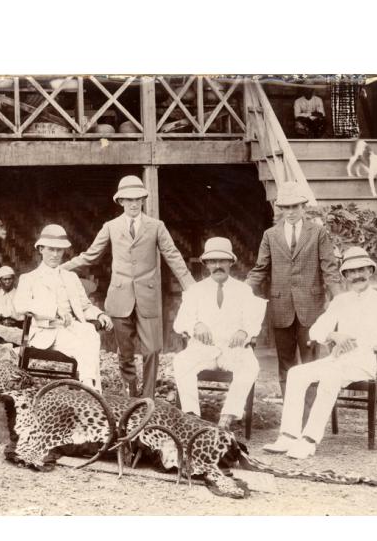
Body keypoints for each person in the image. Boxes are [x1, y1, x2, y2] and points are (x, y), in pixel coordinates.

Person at [61, 175, 195, 399]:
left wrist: (191, 287)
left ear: (143, 200)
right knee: (125, 353)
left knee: (152, 350)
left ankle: (148, 398)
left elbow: (173, 256)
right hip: (119, 299)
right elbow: (91, 255)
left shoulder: (156, 227)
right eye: (129, 199)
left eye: (138, 199)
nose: (134, 204)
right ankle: (131, 397)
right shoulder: (111, 227)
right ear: (120, 201)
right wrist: (60, 269)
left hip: (147, 297)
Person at [263, 247, 377, 459]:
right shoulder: (340, 301)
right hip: (337, 359)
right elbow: (316, 330)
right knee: (296, 373)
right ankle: (288, 435)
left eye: (361, 270)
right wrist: (334, 336)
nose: (357, 275)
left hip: (364, 361)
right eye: (351, 272)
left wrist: (353, 340)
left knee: (330, 375)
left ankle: (309, 439)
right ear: (345, 276)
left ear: (370, 271)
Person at [246, 181, 342, 398]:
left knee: (310, 363)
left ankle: (308, 414)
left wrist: (340, 300)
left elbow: (329, 268)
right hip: (281, 308)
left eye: (295, 207)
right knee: (286, 362)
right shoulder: (270, 235)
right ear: (280, 208)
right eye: (285, 207)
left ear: (303, 206)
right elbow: (260, 269)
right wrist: (241, 292)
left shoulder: (318, 233)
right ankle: (290, 411)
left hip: (310, 307)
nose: (290, 212)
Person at [173, 237, 266, 429]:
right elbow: (180, 321)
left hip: (232, 350)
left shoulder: (243, 290)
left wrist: (244, 330)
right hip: (204, 350)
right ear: (206, 264)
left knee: (250, 365)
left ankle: (227, 417)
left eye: (222, 261)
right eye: (212, 261)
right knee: (181, 361)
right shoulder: (195, 290)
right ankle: (192, 418)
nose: (217, 266)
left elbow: (253, 319)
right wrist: (196, 324)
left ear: (231, 262)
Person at [14, 224, 113, 392]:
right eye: (51, 249)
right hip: (47, 333)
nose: (55, 254)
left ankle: (88, 385)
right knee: (85, 342)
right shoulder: (29, 278)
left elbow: (84, 306)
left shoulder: (71, 277)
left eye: (59, 250)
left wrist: (100, 314)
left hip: (72, 328)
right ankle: (91, 388)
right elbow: (20, 305)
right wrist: (54, 310)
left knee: (89, 332)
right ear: (41, 249)